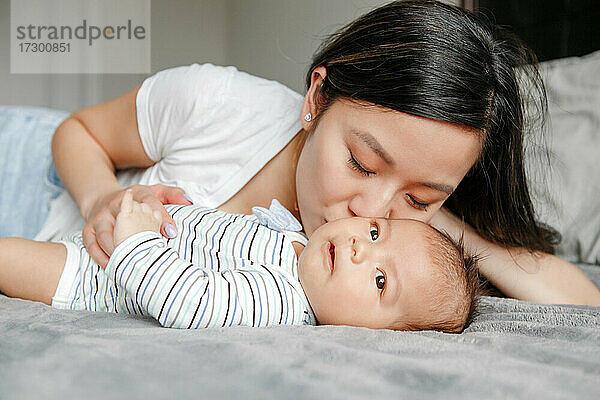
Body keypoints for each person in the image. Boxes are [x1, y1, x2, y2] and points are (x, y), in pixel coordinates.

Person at [2, 1, 600, 306]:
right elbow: (79, 132)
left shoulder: (378, 243)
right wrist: (102, 198)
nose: (368, 208)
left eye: (421, 194)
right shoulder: (217, 101)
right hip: (25, 165)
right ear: (317, 96)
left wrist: (432, 215)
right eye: (363, 164)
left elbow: (578, 300)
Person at [0, 192, 483, 333]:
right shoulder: (300, 247)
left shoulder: (281, 301)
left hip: (95, 280)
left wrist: (139, 241)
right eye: (377, 232)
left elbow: (191, 301)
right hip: (116, 243)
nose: (361, 246)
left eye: (380, 280)